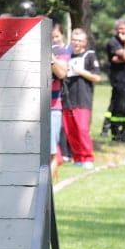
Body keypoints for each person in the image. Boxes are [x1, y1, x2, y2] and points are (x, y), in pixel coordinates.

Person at [62, 28, 101, 169]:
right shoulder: (66, 56)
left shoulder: (89, 55)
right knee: (70, 130)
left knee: (82, 129)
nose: (76, 43)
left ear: (85, 42)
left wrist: (81, 72)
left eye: (79, 40)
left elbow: (97, 77)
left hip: (82, 99)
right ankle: (77, 157)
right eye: (74, 39)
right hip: (67, 98)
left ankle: (87, 157)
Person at [105, 18, 125, 142]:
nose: (123, 31)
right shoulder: (113, 42)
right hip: (118, 78)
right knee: (118, 106)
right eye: (121, 28)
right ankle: (115, 133)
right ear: (116, 29)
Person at [49, 24, 71, 181]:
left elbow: (62, 73)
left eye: (56, 36)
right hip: (34, 108)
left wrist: (49, 55)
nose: (53, 40)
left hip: (52, 108)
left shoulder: (61, 52)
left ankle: (46, 191)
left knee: (51, 153)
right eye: (50, 36)